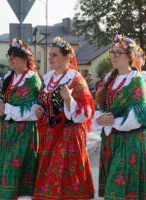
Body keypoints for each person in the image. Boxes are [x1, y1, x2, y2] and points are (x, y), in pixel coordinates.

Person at [33, 37, 95, 199]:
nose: (50, 58)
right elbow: (44, 104)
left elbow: (86, 112)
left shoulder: (75, 79)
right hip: (49, 136)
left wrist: (69, 99)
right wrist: (40, 111)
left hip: (69, 136)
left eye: (54, 55)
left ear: (67, 58)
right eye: (50, 55)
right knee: (49, 175)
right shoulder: (47, 79)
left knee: (66, 175)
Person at [93, 34, 146, 199]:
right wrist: (99, 119)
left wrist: (109, 122)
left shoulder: (136, 80)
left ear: (129, 57)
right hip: (111, 141)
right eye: (112, 52)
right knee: (116, 190)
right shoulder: (109, 80)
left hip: (130, 142)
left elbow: (137, 116)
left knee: (118, 190)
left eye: (118, 53)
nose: (113, 56)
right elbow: (99, 106)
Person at [0, 38, 41, 200]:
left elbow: (33, 110)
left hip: (24, 134)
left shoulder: (33, 80)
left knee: (16, 169)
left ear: (25, 58)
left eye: (14, 55)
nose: (10, 59)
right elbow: (2, 97)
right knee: (6, 168)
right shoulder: (9, 77)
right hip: (7, 133)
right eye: (9, 55)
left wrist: (6, 109)